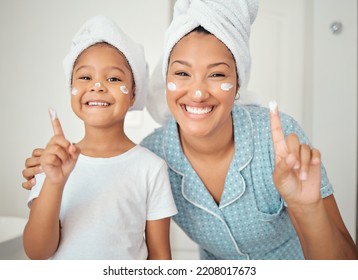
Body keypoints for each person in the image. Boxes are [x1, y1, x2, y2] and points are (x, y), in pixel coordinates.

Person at [22, 1, 358, 260]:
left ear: (238, 83)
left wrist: (306, 207)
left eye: (216, 74)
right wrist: (49, 174)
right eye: (182, 74)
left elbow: (346, 264)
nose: (197, 93)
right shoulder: (152, 158)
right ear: (164, 81)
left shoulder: (280, 141)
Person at [22, 15, 177, 260]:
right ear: (70, 87)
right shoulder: (53, 162)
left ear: (134, 92)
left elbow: (160, 257)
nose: (97, 86)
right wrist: (54, 182)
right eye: (85, 77)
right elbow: (36, 251)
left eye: (113, 78)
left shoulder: (151, 168)